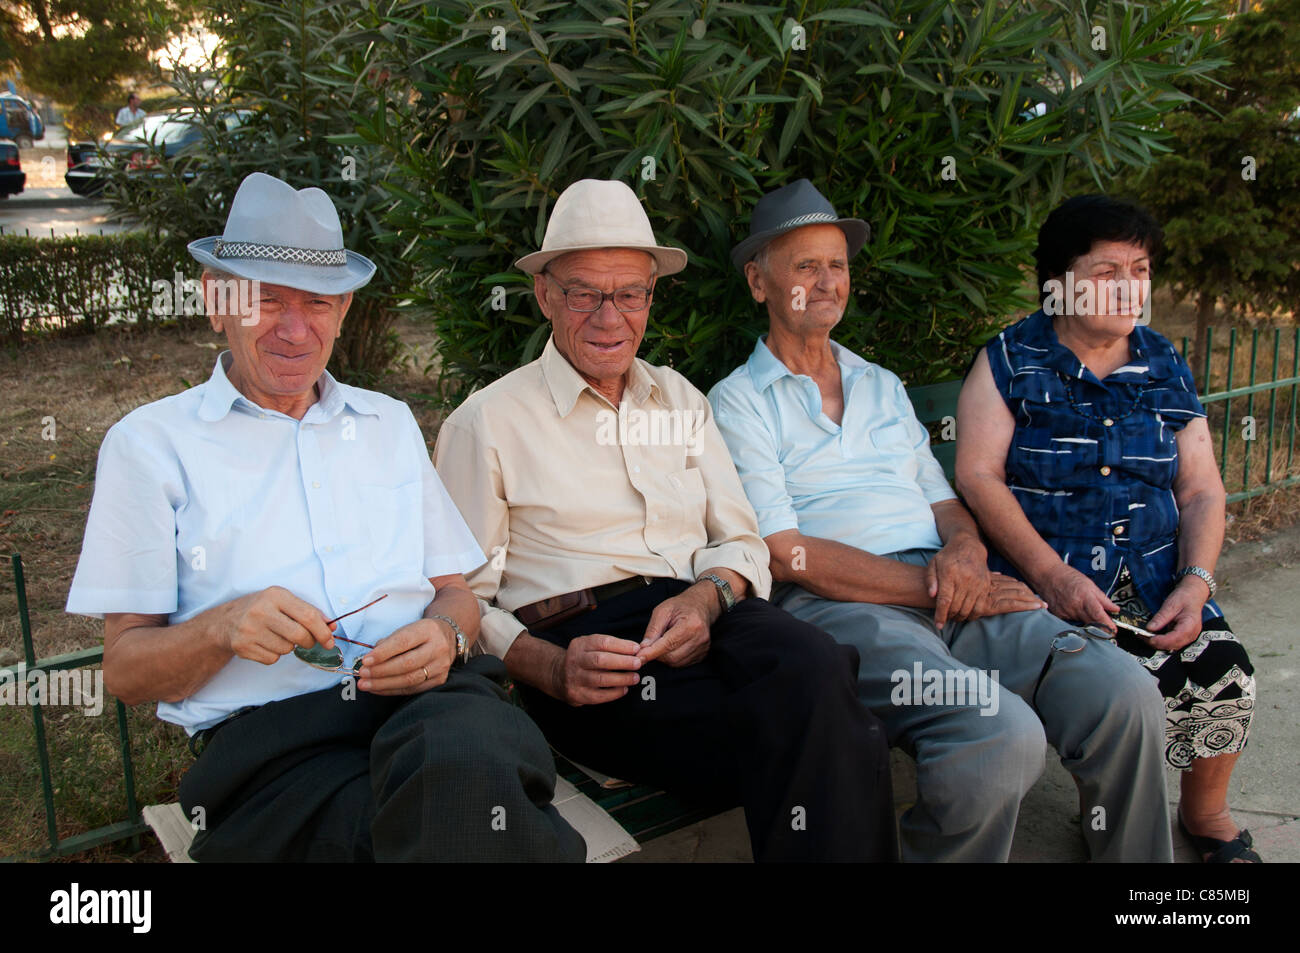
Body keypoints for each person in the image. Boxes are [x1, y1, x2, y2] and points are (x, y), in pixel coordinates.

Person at [65, 172, 585, 863]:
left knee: (459, 766)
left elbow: (456, 594)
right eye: (265, 300)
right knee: (448, 824)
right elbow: (126, 669)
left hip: (429, 708)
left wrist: (444, 636)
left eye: (315, 303)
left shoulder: (387, 423)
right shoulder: (151, 445)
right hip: (278, 746)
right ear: (215, 300)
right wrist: (223, 627)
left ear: (342, 311)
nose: (293, 328)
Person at [433, 178, 897, 863]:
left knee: (818, 663)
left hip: (700, 612)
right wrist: (551, 667)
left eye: (628, 294)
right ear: (545, 296)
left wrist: (705, 598)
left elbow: (741, 541)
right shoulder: (488, 421)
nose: (608, 315)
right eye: (584, 292)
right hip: (588, 645)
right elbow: (462, 596)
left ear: (651, 296)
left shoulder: (678, 396)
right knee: (823, 726)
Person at [708, 179, 1173, 862]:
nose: (829, 280)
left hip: (945, 586)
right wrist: (937, 586)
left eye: (837, 264)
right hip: (841, 607)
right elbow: (784, 552)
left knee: (1123, 692)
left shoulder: (881, 385)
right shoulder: (738, 401)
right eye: (806, 264)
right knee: (999, 735)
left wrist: (962, 553)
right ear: (759, 281)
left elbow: (947, 502)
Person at [957, 194, 1259, 863]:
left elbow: (1202, 487)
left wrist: (1196, 580)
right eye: (1106, 271)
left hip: (1154, 578)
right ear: (1058, 282)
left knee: (1224, 665)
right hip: (1043, 581)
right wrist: (1051, 574)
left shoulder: (1161, 361)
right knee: (1124, 686)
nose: (1130, 287)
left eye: (1141, 269)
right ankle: (1112, 823)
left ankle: (1206, 816)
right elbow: (978, 475)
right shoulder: (1011, 359)